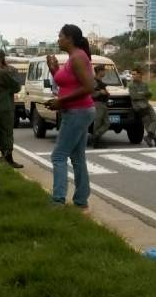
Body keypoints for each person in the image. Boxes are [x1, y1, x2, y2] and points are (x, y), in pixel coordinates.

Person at [46, 24, 95, 209]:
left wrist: (61, 101)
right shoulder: (72, 58)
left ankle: (58, 200)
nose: (58, 39)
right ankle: (81, 200)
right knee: (77, 157)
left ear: (70, 38)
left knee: (58, 156)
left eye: (60, 36)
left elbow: (89, 87)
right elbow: (68, 82)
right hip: (77, 111)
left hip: (78, 112)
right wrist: (53, 69)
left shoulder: (77, 58)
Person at [0, 49, 23, 168]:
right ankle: (7, 157)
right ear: (3, 57)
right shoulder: (9, 70)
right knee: (7, 133)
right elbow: (17, 87)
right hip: (5, 105)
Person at [128, 67, 156, 147]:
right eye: (132, 74)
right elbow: (134, 96)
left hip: (146, 104)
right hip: (139, 107)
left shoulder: (145, 84)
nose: (132, 76)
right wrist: (144, 94)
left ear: (139, 74)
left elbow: (149, 95)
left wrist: (143, 94)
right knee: (147, 124)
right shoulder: (131, 85)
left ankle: (149, 137)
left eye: (134, 74)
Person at [91, 64, 110, 149]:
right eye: (103, 70)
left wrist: (106, 93)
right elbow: (91, 93)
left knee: (107, 123)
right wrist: (100, 92)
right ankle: (96, 142)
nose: (105, 72)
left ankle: (96, 136)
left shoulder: (101, 82)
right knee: (98, 122)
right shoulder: (94, 81)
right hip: (98, 104)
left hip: (103, 104)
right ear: (99, 72)